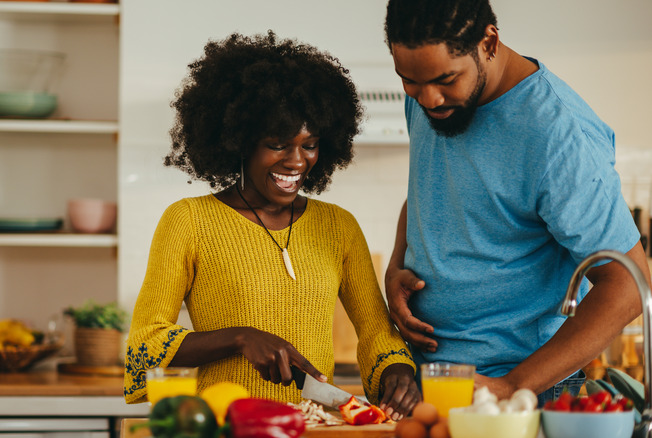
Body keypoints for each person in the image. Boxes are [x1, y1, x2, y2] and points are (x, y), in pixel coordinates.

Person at [123, 31, 420, 418]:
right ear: (239, 141)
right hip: (225, 425)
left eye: (309, 144)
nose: (297, 161)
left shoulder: (339, 226)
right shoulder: (188, 221)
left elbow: (376, 331)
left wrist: (396, 369)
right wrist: (240, 338)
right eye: (278, 144)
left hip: (312, 427)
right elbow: (145, 344)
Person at [382, 0, 649, 405]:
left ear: (488, 41)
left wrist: (513, 385)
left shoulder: (556, 135)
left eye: (445, 80)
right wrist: (396, 264)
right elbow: (428, 186)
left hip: (520, 394)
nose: (429, 99)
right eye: (409, 81)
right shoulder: (429, 98)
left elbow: (629, 285)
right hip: (428, 381)